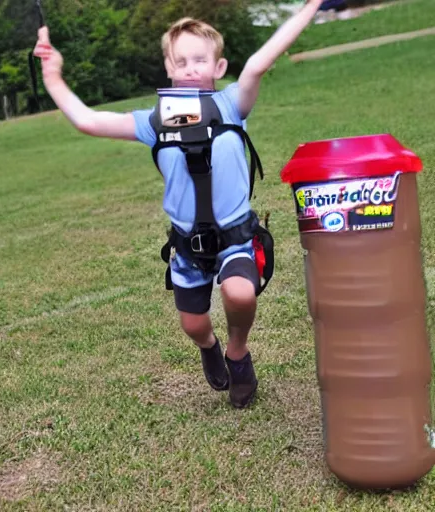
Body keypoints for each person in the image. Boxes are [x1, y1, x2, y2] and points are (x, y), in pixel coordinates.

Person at [33, 0, 324, 409]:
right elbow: (87, 120)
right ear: (168, 69)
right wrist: (53, 75)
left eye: (200, 60)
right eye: (181, 61)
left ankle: (238, 353)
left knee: (241, 295)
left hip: (235, 237)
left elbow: (259, 62)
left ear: (218, 68)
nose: (190, 68)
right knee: (193, 325)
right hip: (188, 246)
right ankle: (210, 346)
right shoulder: (152, 121)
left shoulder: (231, 105)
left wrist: (310, 7)